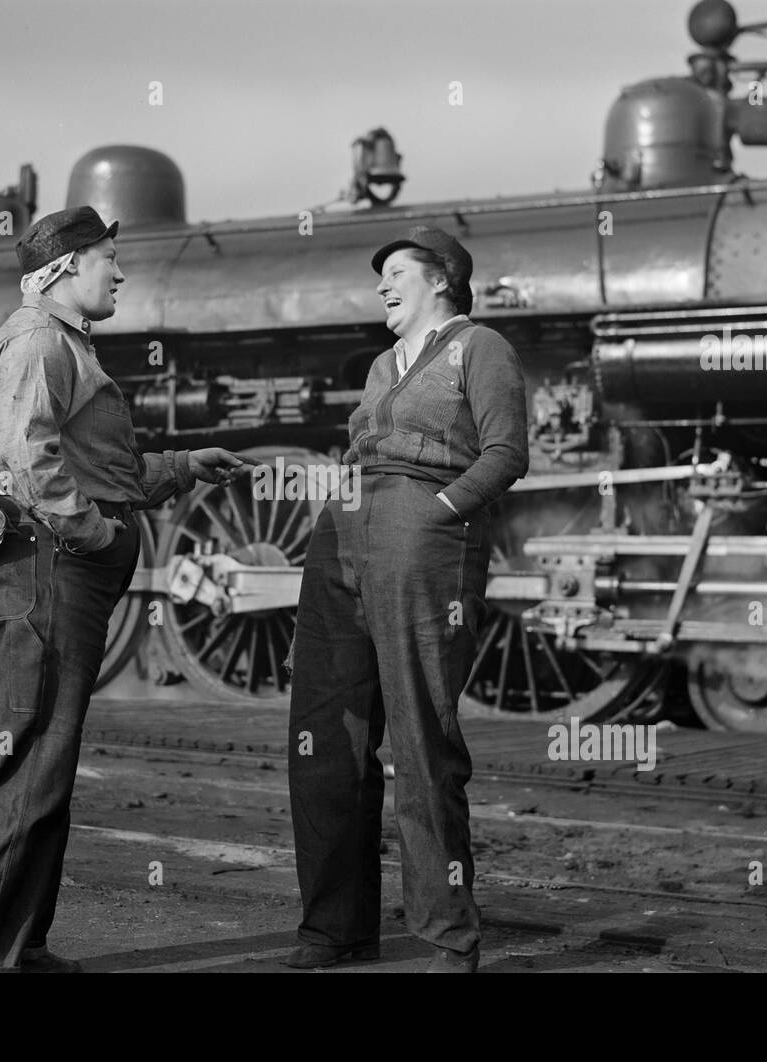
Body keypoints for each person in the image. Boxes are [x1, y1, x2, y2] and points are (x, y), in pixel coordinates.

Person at [0, 206, 250, 973]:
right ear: (68, 266)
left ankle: (18, 946)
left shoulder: (62, 345)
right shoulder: (42, 341)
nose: (121, 270)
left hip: (47, 573)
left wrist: (181, 466)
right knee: (23, 761)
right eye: (110, 256)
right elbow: (28, 463)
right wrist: (97, 535)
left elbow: (97, 469)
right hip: (42, 574)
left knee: (48, 762)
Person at [287, 226, 529, 973]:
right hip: (346, 534)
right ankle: (335, 927)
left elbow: (506, 451)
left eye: (396, 272)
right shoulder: (379, 364)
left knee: (421, 740)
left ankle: (448, 937)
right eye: (381, 275)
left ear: (442, 279)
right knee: (328, 736)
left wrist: (442, 511)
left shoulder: (480, 347)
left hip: (420, 536)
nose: (383, 285)